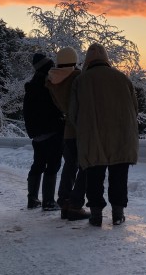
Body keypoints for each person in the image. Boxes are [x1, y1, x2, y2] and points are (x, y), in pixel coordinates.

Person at [70, 43, 139, 227]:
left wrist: (85, 129)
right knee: (119, 176)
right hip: (122, 136)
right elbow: (134, 108)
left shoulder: (81, 81)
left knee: (94, 177)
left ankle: (96, 215)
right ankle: (118, 214)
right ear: (107, 59)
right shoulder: (122, 78)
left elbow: (73, 114)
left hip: (93, 137)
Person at [46, 46, 89, 221]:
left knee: (70, 165)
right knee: (87, 165)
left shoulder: (52, 80)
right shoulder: (77, 78)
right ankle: (74, 205)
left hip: (67, 130)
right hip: (80, 127)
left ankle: (64, 201)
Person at [23, 52, 64, 211]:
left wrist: (32, 131)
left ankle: (32, 199)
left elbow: (28, 112)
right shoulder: (49, 85)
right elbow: (55, 108)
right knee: (53, 165)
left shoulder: (32, 86)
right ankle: (48, 201)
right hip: (52, 132)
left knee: (38, 164)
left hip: (37, 135)